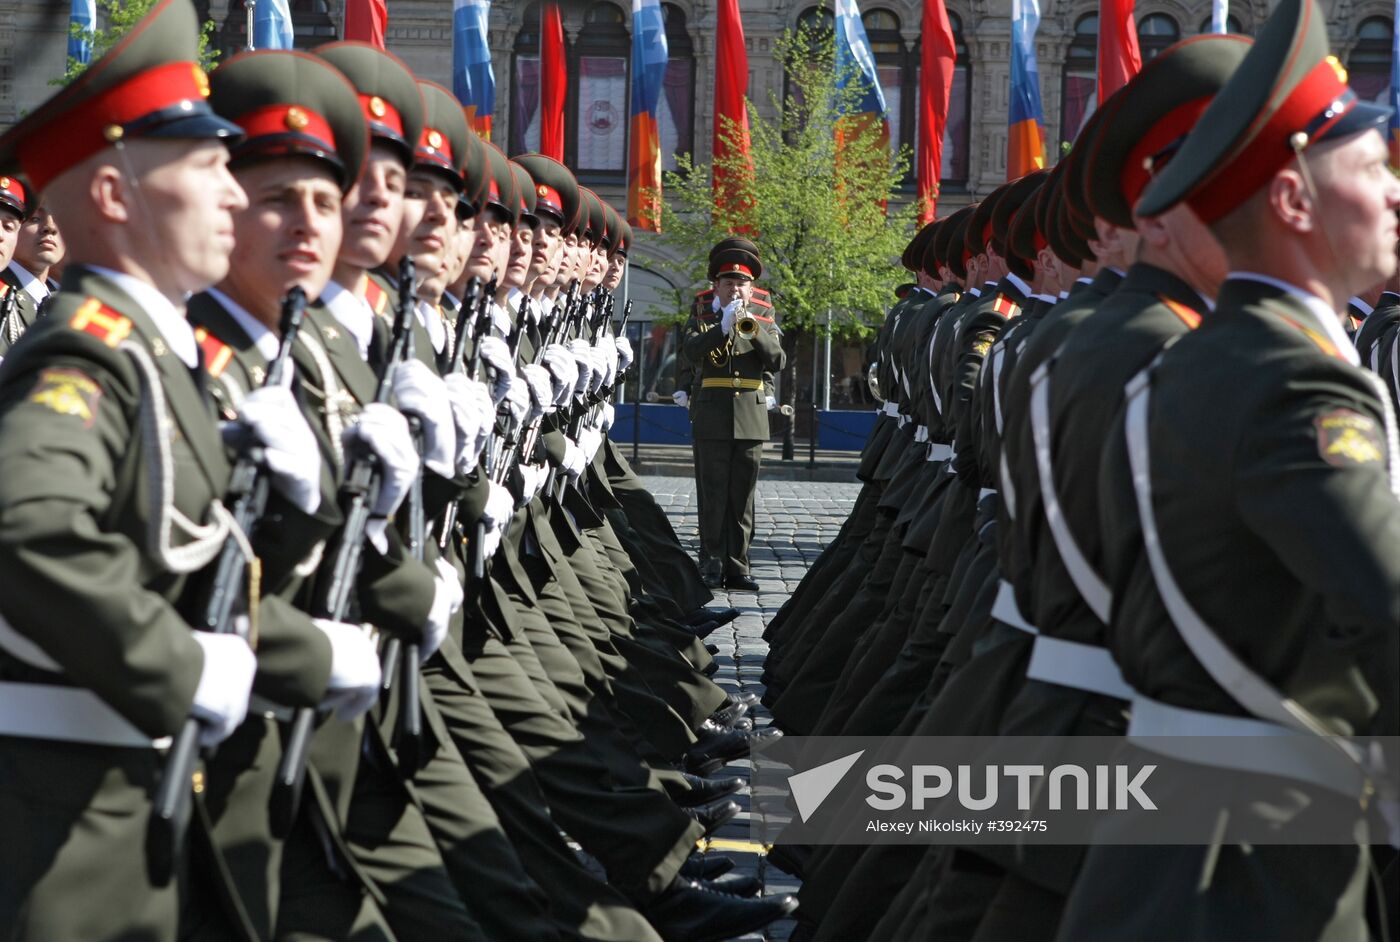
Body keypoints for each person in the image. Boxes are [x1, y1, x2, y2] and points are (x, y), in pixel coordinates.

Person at [0, 2, 346, 937]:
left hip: (148, 790)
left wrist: (305, 511)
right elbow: (26, 529)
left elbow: (196, 560)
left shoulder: (155, 358)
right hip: (76, 825)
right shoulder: (86, 359)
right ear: (113, 197)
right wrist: (177, 663)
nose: (236, 196)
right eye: (207, 169)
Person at [1059, 0, 1400, 937]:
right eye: (1374, 168)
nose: (1397, 193)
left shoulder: (1219, 352)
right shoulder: (1292, 382)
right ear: (1294, 202)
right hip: (1250, 864)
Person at [681, 241, 785, 591]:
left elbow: (777, 360)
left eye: (741, 283)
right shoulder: (703, 316)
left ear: (751, 288)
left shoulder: (763, 319)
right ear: (717, 287)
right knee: (712, 495)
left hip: (751, 417)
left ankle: (738, 565)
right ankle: (711, 562)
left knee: (742, 498)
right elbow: (691, 352)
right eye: (727, 283)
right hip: (712, 415)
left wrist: (751, 327)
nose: (735, 288)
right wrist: (721, 328)